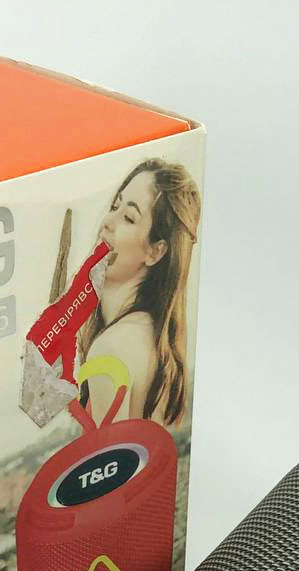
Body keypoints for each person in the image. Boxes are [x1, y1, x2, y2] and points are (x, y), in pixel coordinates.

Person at [78, 159, 201, 426]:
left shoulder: (110, 350)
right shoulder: (156, 337)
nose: (108, 222)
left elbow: (115, 455)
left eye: (129, 218)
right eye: (115, 206)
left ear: (155, 251)